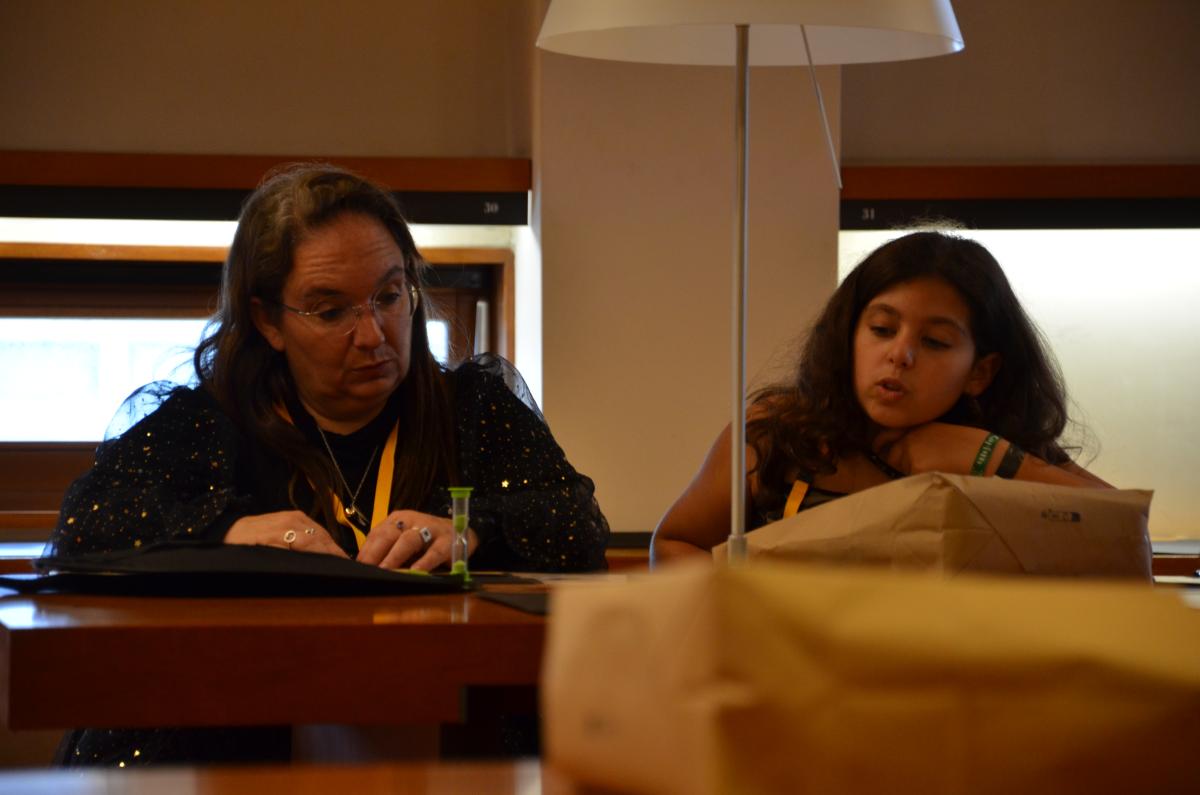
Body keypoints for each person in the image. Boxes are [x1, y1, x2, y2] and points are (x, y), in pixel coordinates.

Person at [48, 163, 610, 765]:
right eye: (331, 311)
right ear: (268, 322)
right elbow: (87, 524)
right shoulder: (210, 420)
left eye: (389, 296)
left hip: (449, 731)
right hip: (242, 737)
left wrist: (474, 529)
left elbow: (577, 523)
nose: (372, 335)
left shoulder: (471, 407)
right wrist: (228, 534)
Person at [653, 231, 1110, 563]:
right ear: (849, 334)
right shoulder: (778, 431)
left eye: (934, 342)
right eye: (882, 329)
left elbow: (1122, 530)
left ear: (979, 372)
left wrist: (987, 457)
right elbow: (674, 545)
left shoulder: (999, 444)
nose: (900, 355)